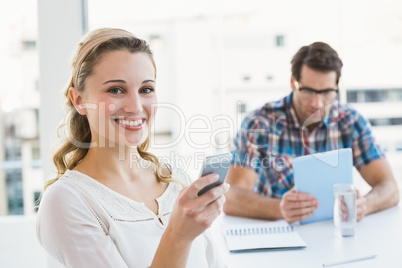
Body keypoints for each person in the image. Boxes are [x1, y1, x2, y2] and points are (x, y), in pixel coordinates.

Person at [36, 28, 229, 268]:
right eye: (116, 90)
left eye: (146, 89)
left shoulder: (174, 179)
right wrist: (179, 235)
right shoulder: (66, 201)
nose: (135, 106)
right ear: (79, 100)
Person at [223, 42, 399, 223]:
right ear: (293, 83)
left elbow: (390, 187)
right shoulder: (260, 123)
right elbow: (231, 197)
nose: (317, 103)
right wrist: (279, 208)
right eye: (308, 91)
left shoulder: (351, 122)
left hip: (333, 233)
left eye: (327, 92)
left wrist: (365, 205)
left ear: (336, 87)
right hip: (278, 232)